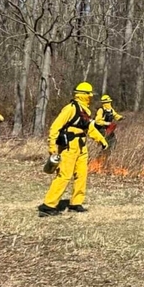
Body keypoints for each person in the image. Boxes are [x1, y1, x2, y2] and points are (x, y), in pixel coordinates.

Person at [39, 82, 108, 216]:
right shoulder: (70, 108)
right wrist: (52, 146)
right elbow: (55, 127)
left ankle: (76, 203)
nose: (91, 97)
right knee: (64, 175)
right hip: (69, 147)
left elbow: (90, 128)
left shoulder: (86, 111)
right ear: (83, 95)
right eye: (89, 94)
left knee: (81, 175)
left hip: (82, 147)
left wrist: (101, 140)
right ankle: (48, 206)